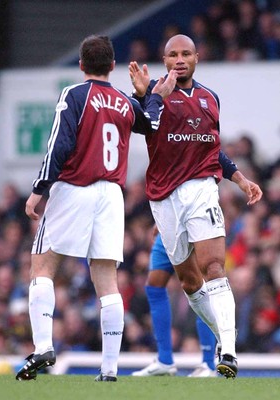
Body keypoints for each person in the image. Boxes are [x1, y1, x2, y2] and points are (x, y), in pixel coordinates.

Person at [15, 34, 177, 382]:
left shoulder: (74, 95)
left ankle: (43, 345)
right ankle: (109, 368)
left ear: (81, 65)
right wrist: (154, 97)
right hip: (111, 196)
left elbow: (60, 144)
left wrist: (38, 190)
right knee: (107, 281)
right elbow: (149, 124)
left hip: (75, 187)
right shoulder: (123, 101)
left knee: (42, 266)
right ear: (113, 66)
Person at [129, 34, 263, 379]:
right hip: (163, 198)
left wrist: (240, 179)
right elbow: (141, 125)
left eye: (185, 53)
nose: (179, 59)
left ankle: (229, 353)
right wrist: (146, 95)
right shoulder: (153, 94)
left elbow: (211, 148)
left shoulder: (209, 98)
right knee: (189, 283)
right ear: (164, 59)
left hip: (201, 190)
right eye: (172, 54)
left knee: (214, 266)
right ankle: (223, 338)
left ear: (197, 58)